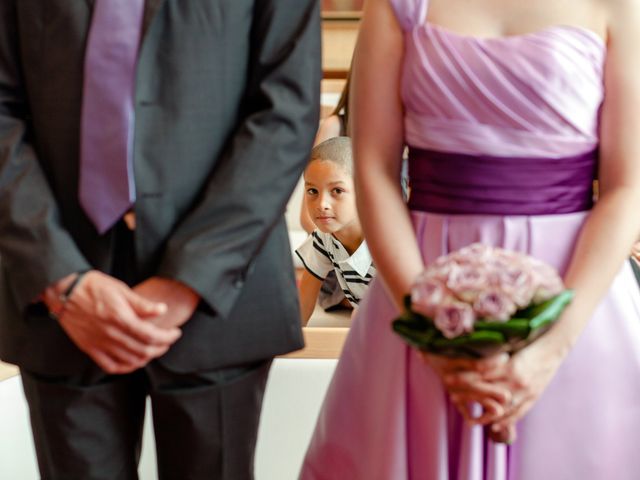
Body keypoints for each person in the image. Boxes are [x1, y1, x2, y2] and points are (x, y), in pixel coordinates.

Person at [301, 0, 640, 478]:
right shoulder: (396, 6)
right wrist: (430, 329)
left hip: (575, 296)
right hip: (422, 285)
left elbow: (628, 186)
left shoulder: (618, 6)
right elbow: (374, 171)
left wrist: (551, 348)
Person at [0, 1, 321, 479]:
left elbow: (285, 111)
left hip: (220, 299)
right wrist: (60, 276)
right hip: (62, 298)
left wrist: (192, 277)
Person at [296, 137, 375, 325]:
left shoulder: (385, 240)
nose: (322, 204)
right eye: (312, 191)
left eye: (337, 191)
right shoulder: (324, 239)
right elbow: (303, 305)